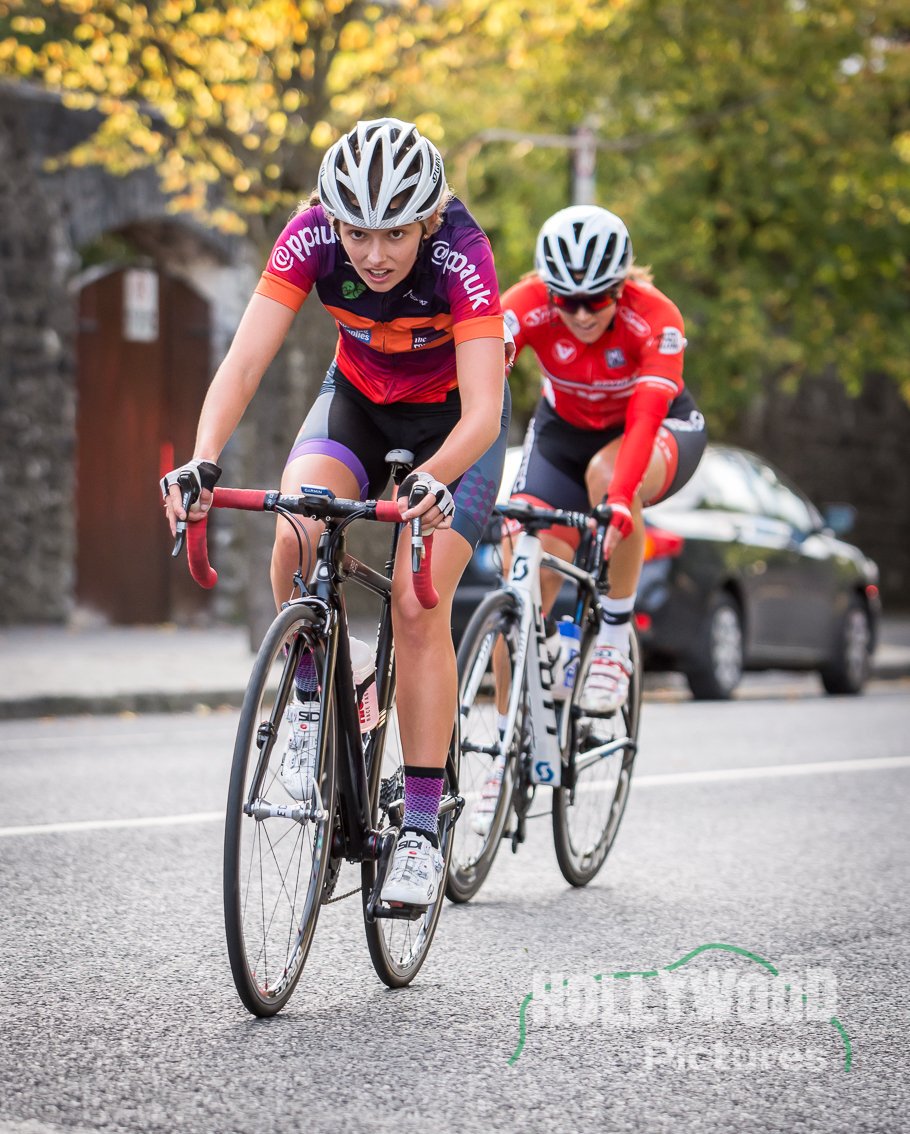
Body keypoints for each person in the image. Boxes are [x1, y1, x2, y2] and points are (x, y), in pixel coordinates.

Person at [161, 118, 511, 906]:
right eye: (356, 230)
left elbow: (485, 411)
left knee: (420, 606)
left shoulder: (465, 252)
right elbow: (245, 358)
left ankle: (420, 828)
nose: (374, 252)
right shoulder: (309, 236)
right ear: (332, 217)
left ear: (428, 218)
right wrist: (203, 457)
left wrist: (435, 478)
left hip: (455, 432)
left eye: (394, 231)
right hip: (357, 400)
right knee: (295, 532)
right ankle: (325, 692)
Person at [472, 205, 706, 834]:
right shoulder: (524, 303)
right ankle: (499, 748)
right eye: (566, 298)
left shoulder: (655, 319)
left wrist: (622, 500)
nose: (579, 312)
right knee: (520, 568)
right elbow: (477, 383)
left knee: (609, 484)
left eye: (595, 297)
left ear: (622, 283)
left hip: (654, 432)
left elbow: (643, 422)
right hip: (561, 434)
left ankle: (611, 641)